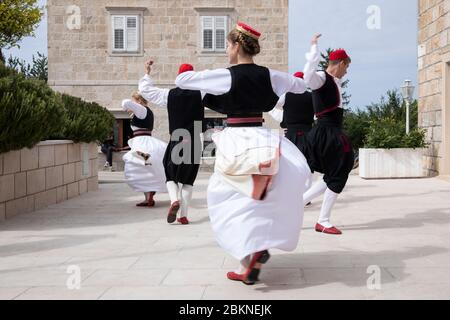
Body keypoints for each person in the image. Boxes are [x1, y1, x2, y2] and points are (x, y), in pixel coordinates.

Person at [175, 22, 310, 285]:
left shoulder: (226, 75)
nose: (226, 50)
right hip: (262, 136)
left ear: (237, 46)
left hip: (235, 140)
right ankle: (250, 258)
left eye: (227, 45)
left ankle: (249, 256)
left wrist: (202, 75)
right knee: (255, 197)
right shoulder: (270, 75)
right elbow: (300, 86)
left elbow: (182, 80)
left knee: (225, 199)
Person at [138, 61, 205, 225]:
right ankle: (183, 215)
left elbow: (145, 91)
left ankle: (174, 199)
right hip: (195, 138)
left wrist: (147, 73)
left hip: (177, 137)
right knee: (188, 181)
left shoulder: (170, 95)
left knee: (170, 175)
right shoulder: (202, 93)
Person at [302, 33, 354, 235]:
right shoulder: (322, 78)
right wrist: (313, 47)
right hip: (326, 133)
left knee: (335, 173)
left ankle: (301, 204)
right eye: (347, 67)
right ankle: (323, 220)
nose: (347, 72)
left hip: (330, 132)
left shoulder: (334, 81)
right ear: (340, 63)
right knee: (341, 169)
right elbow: (308, 76)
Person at [267, 71, 316, 198]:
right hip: (308, 133)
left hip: (291, 133)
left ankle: (293, 193)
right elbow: (317, 114)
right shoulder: (312, 96)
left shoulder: (286, 96)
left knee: (290, 164)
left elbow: (273, 105)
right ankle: (306, 194)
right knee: (308, 163)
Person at [121, 92, 168, 207]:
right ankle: (148, 196)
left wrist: (127, 107)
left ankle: (149, 195)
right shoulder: (145, 112)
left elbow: (125, 102)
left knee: (136, 166)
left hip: (142, 142)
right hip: (145, 141)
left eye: (134, 101)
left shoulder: (141, 110)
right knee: (143, 169)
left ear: (139, 101)